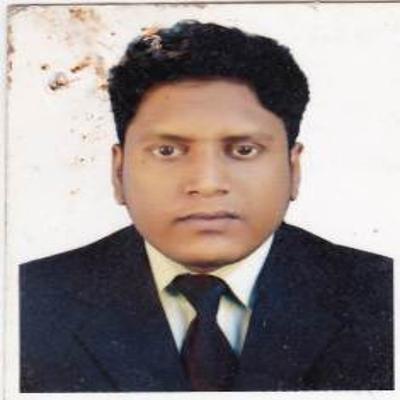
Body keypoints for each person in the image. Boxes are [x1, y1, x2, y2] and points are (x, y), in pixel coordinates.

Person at [20, 20, 393, 392]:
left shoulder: (383, 295)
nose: (207, 183)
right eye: (167, 151)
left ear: (293, 169)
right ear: (119, 171)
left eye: (243, 150)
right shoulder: (27, 301)